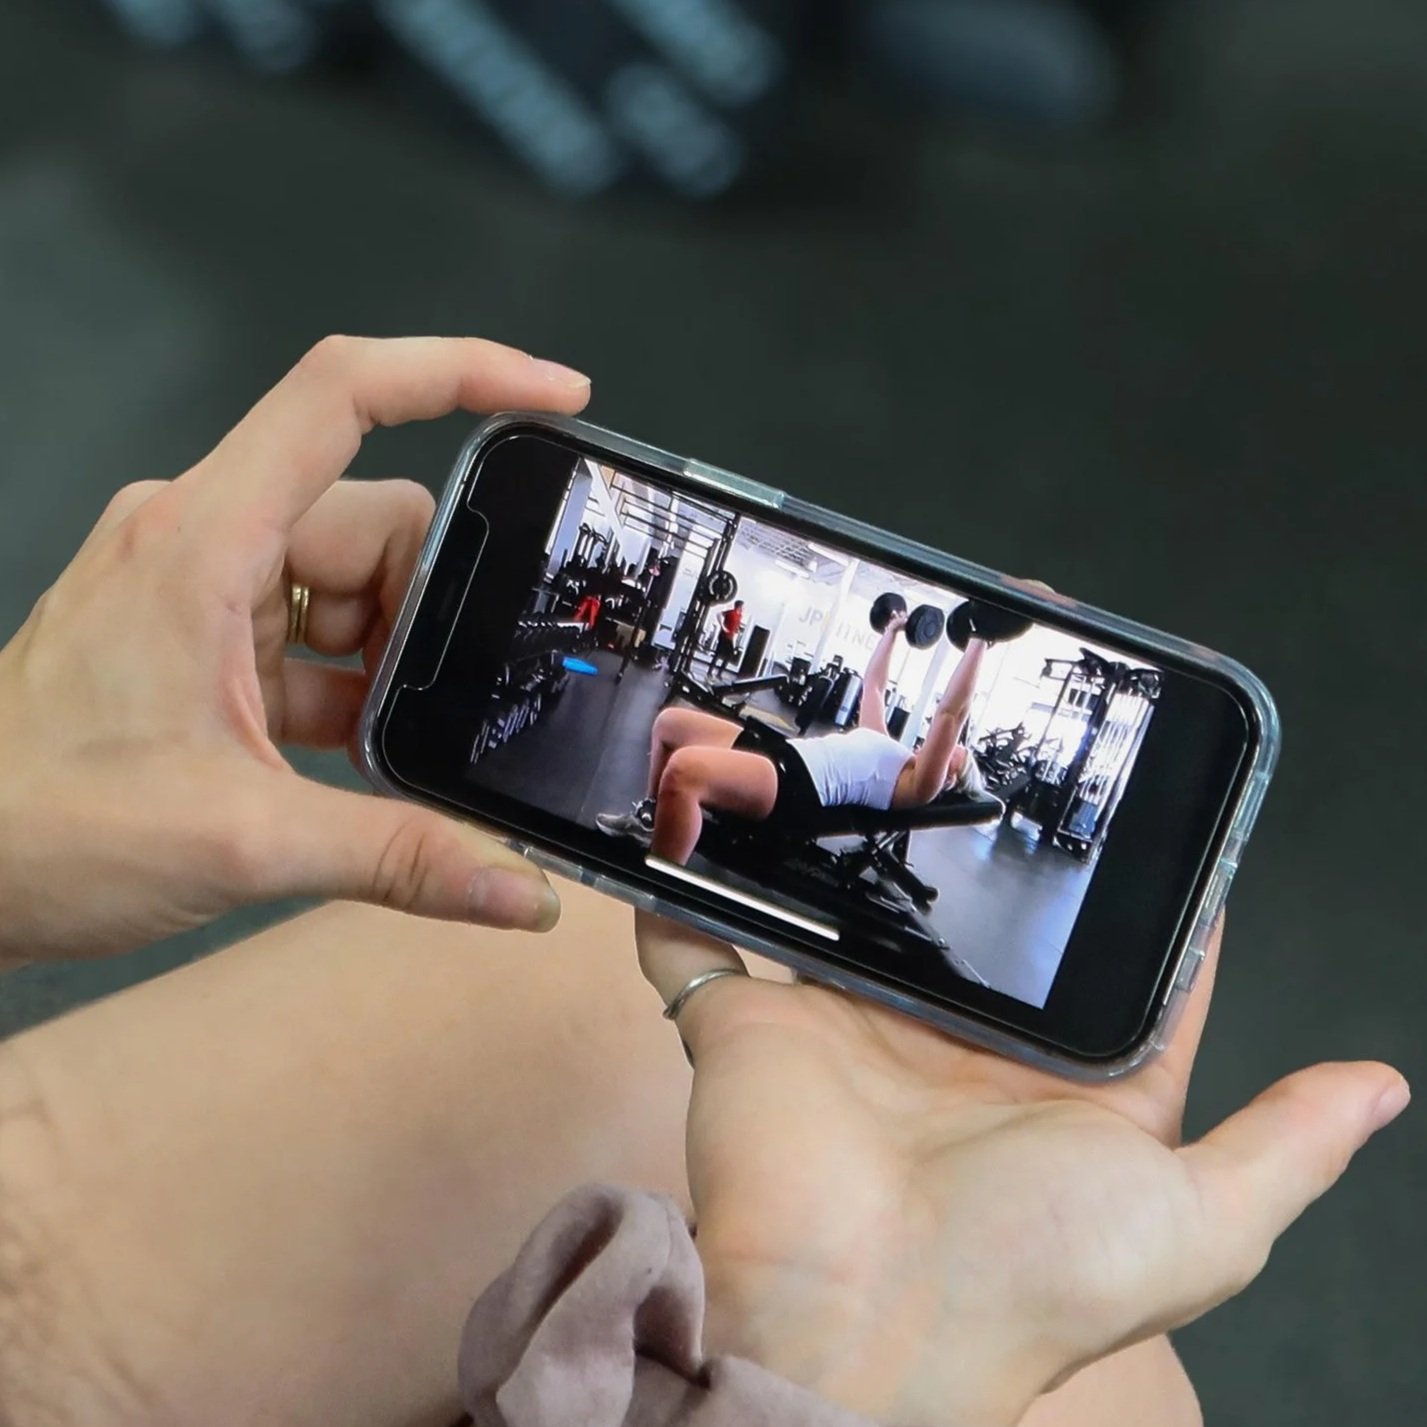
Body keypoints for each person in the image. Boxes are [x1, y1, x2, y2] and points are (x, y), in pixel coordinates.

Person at [0, 337, 1407, 1427]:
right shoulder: (897, 704)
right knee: (1116, 1395)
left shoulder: (928, 741)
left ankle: (662, 835)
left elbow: (919, 746)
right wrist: (849, 1343)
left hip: (829, 778)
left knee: (623, 877)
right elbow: (890, 706)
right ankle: (658, 835)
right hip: (819, 761)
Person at [598, 608, 987, 863]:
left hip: (796, 788)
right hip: (782, 753)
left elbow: (950, 714)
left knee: (684, 772)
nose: (951, 746)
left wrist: (979, 639)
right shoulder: (889, 745)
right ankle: (651, 816)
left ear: (950, 777)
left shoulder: (920, 784)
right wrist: (893, 631)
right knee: (670, 723)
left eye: (956, 753)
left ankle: (661, 882)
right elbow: (873, 687)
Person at [710, 597, 745, 677]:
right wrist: (722, 626)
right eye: (743, 607)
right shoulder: (731, 612)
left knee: (729, 655)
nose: (743, 609)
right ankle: (711, 671)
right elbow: (718, 614)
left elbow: (736, 625)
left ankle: (719, 673)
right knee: (718, 654)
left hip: (730, 637)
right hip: (724, 636)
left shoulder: (740, 616)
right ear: (739, 607)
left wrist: (737, 630)